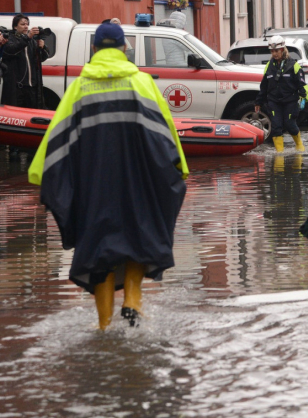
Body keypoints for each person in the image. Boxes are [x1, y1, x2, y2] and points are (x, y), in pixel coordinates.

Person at [28, 23, 189, 330]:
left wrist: (40, 174)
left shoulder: (79, 87)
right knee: (140, 233)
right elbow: (165, 132)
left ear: (94, 50)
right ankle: (132, 300)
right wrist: (179, 167)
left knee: (97, 247)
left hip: (93, 183)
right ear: (124, 48)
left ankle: (104, 325)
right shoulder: (141, 83)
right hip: (138, 180)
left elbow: (57, 136)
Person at [254, 35, 308, 153]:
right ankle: (280, 153)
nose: (274, 54)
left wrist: (304, 97)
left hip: (290, 100)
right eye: (272, 51)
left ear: (282, 50)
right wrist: (258, 101)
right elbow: (264, 86)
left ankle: (299, 146)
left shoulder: (293, 65)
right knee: (276, 126)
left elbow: (301, 83)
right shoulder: (269, 66)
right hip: (274, 101)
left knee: (290, 124)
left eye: (277, 51)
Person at [1, 14, 49, 109]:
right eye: (22, 24)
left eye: (27, 24)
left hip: (32, 86)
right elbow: (12, 50)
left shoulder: (31, 41)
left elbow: (42, 58)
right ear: (15, 26)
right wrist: (28, 37)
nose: (26, 26)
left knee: (32, 113)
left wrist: (43, 48)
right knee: (16, 114)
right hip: (17, 87)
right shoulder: (9, 39)